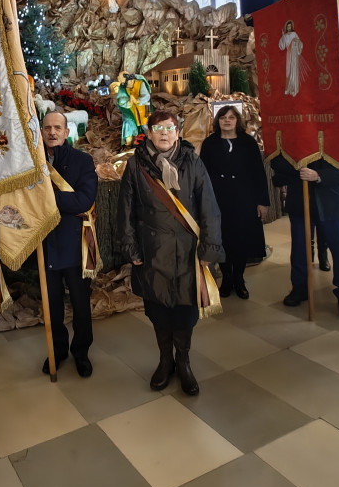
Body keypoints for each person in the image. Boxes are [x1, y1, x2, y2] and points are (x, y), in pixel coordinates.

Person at [117, 110, 222, 395]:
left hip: (188, 253)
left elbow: (209, 208)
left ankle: (183, 361)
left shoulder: (192, 161)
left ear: (178, 132)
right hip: (152, 253)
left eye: (169, 128)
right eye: (158, 128)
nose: (164, 133)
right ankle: (165, 360)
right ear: (149, 133)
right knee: (159, 310)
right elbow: (125, 211)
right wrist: (130, 248)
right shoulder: (135, 165)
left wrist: (209, 249)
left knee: (186, 312)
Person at [271, 132, 339, 318]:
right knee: (300, 249)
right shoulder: (291, 133)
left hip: (333, 202)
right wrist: (297, 167)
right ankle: (300, 287)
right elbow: (276, 162)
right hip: (300, 200)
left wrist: (319, 176)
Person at [40, 111, 99, 377]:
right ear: (41, 132)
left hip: (75, 244)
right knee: (51, 304)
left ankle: (81, 352)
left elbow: (84, 201)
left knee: (80, 304)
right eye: (47, 128)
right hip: (44, 243)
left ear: (66, 132)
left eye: (57, 128)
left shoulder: (82, 161)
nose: (52, 132)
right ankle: (57, 349)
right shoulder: (34, 163)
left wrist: (46, 200)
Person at [199, 105, 269, 299]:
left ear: (237, 120)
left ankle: (239, 278)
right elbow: (202, 174)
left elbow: (259, 174)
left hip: (244, 199)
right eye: (223, 117)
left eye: (231, 117)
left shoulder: (248, 142)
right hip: (218, 200)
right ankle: (227, 278)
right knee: (222, 239)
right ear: (218, 121)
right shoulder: (210, 143)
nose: (227, 120)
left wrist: (262, 202)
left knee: (241, 240)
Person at [278, 20, 305, 96]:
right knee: (288, 70)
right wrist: (283, 36)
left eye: (290, 26)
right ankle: (289, 88)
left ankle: (294, 88)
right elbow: (282, 46)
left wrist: (295, 41)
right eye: (288, 26)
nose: (289, 28)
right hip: (289, 54)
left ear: (291, 27)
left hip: (294, 54)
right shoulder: (285, 36)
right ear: (286, 27)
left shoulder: (294, 34)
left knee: (294, 70)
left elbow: (300, 43)